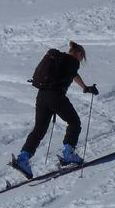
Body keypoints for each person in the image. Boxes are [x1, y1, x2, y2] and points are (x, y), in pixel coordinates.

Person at [11, 41, 98, 179]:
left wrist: (85, 87)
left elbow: (73, 75)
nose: (81, 61)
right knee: (74, 122)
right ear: (79, 53)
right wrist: (87, 87)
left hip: (42, 96)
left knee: (39, 129)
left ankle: (23, 158)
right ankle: (68, 154)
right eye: (82, 58)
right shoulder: (72, 62)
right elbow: (73, 72)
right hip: (55, 96)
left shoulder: (59, 59)